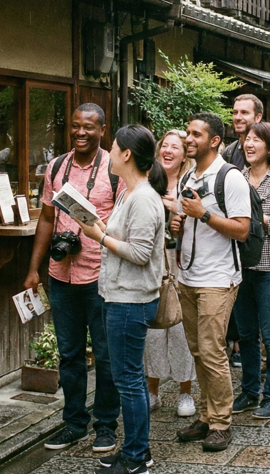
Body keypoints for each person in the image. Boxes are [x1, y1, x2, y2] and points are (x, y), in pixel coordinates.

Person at [24, 103, 123, 454]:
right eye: (75, 126)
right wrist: (34, 269)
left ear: (102, 130)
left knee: (107, 356)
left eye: (89, 128)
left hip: (101, 275)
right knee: (69, 355)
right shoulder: (56, 166)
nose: (81, 133)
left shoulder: (115, 169)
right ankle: (74, 422)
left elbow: (126, 223)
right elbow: (47, 220)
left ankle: (106, 425)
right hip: (61, 274)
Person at [72, 125, 167, 474]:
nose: (109, 153)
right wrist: (97, 224)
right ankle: (135, 449)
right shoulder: (130, 192)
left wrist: (98, 236)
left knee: (128, 379)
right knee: (130, 378)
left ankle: (137, 455)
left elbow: (140, 253)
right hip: (121, 295)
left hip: (131, 299)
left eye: (113, 148)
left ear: (127, 154)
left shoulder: (141, 196)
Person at [170, 113, 250, 452]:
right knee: (199, 350)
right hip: (187, 274)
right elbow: (186, 217)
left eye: (195, 134)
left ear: (214, 140)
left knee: (213, 350)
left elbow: (242, 229)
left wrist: (203, 214)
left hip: (218, 276)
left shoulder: (229, 178)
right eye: (187, 133)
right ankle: (205, 415)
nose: (189, 139)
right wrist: (179, 222)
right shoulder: (188, 175)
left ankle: (221, 422)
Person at [231, 122, 270, 421]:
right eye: (247, 139)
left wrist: (255, 219)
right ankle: (249, 390)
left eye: (256, 140)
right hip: (242, 266)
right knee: (245, 334)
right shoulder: (236, 178)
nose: (249, 144)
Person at [144, 130, 197, 418]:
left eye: (175, 147)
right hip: (152, 261)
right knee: (153, 325)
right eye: (164, 145)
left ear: (184, 154)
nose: (168, 151)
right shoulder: (149, 181)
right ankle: (152, 390)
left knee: (180, 325)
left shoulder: (190, 183)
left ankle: (185, 392)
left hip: (181, 261)